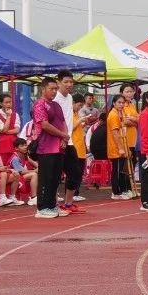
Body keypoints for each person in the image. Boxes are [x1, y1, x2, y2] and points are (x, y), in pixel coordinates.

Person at [31, 76, 71, 218]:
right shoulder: (39, 104)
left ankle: (52, 205)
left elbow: (63, 122)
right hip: (45, 147)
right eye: (51, 89)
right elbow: (44, 125)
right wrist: (63, 135)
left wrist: (65, 138)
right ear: (43, 89)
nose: (54, 91)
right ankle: (42, 208)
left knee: (55, 178)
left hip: (58, 147)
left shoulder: (56, 105)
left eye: (55, 89)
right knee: (46, 178)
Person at [55, 70, 92, 213]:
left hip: (69, 141)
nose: (69, 84)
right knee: (55, 175)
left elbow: (68, 120)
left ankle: (68, 203)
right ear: (59, 82)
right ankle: (53, 204)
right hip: (57, 142)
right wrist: (61, 137)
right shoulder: (55, 98)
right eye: (66, 82)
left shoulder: (70, 98)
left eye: (71, 82)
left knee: (75, 172)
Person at [104, 94, 135, 200]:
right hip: (115, 148)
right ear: (113, 103)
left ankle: (121, 190)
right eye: (119, 103)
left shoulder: (119, 114)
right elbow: (115, 133)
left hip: (121, 146)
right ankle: (116, 192)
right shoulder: (113, 115)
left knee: (121, 170)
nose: (121, 105)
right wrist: (121, 148)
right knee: (116, 171)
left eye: (123, 103)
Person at [10, 140, 38, 204]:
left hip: (21, 177)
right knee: (34, 174)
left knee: (39, 173)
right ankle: (33, 197)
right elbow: (21, 172)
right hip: (16, 178)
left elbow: (34, 162)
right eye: (22, 146)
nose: (25, 147)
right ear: (16, 148)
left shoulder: (24, 155)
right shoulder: (15, 158)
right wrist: (35, 170)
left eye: (25, 145)